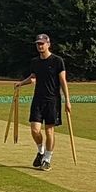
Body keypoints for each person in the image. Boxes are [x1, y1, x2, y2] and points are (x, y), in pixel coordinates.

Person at [13, 33, 70, 171]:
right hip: (38, 100)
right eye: (38, 44)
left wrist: (67, 100)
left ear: (48, 44)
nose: (40, 46)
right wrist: (21, 83)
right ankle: (41, 151)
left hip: (53, 101)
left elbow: (63, 81)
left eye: (42, 43)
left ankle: (48, 159)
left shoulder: (57, 61)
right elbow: (33, 78)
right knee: (35, 130)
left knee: (49, 131)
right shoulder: (35, 62)